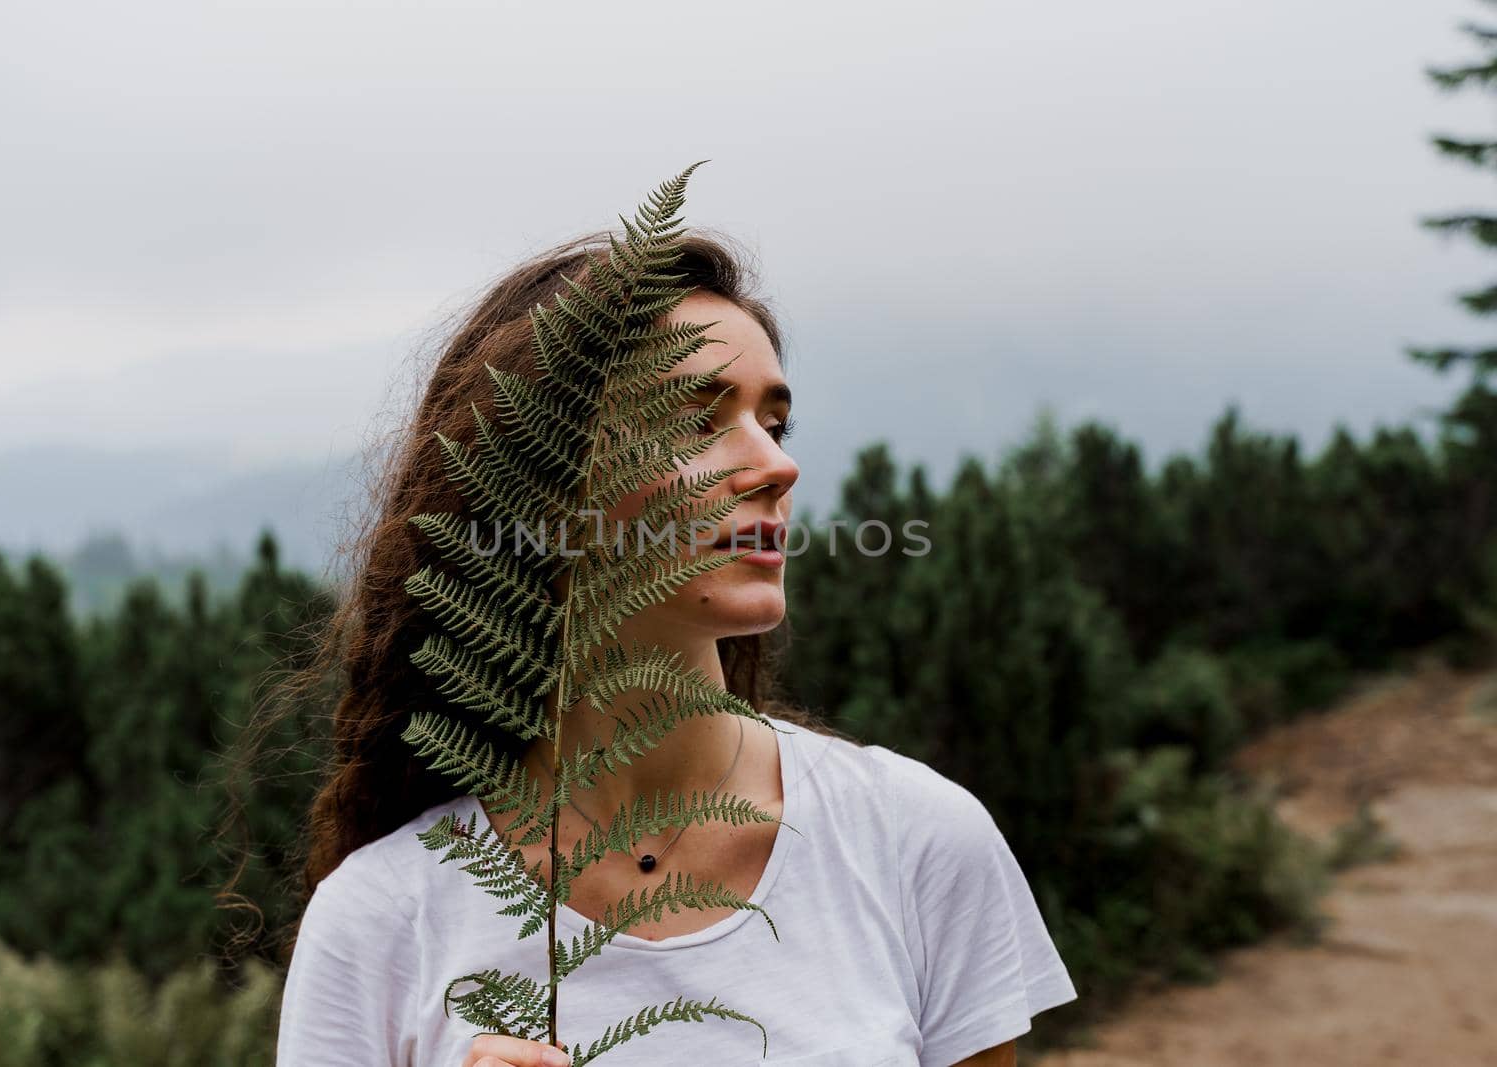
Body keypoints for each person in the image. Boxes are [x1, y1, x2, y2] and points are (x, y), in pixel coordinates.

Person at [273, 231, 1077, 1066]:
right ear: (538, 483)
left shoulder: (914, 838)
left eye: (776, 421)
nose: (776, 465)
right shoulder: (379, 920)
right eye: (698, 418)